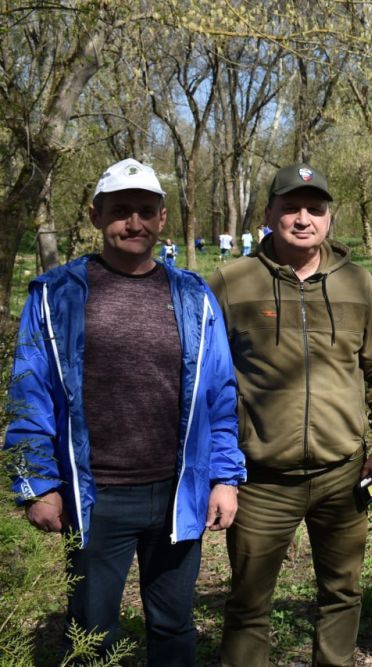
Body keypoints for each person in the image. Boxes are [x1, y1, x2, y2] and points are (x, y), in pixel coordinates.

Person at [3, 158, 246, 665]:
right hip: (95, 496)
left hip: (177, 491)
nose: (133, 223)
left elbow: (219, 395)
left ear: (162, 219)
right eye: (120, 211)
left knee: (174, 624)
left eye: (144, 211)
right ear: (95, 216)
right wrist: (36, 483)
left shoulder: (193, 295)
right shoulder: (56, 295)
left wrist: (225, 477)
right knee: (92, 629)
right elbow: (30, 393)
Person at [208, 162, 372, 666]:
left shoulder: (358, 284)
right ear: (269, 213)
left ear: (328, 217)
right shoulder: (231, 283)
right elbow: (206, 383)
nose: (302, 218)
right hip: (260, 481)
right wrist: (217, 470)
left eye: (314, 209)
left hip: (342, 474)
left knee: (342, 594)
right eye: (290, 207)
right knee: (249, 602)